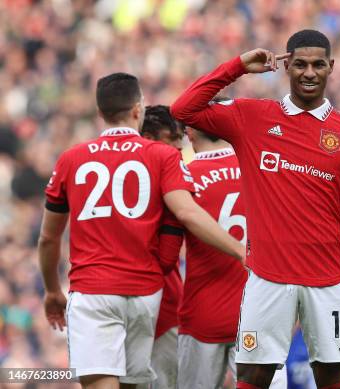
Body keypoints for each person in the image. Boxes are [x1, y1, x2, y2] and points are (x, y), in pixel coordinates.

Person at [171, 29, 340, 388]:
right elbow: (183, 109)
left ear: (331, 67)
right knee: (253, 376)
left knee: (333, 377)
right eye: (299, 64)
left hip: (327, 281)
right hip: (267, 278)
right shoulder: (252, 117)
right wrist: (237, 67)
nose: (308, 72)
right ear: (286, 67)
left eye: (317, 65)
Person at [38, 73, 244, 389]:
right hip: (146, 295)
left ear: (99, 112)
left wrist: (53, 290)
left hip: (93, 290)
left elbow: (48, 237)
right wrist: (241, 250)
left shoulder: (71, 159)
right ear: (138, 109)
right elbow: (187, 213)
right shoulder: (162, 157)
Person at [159, 98, 287, 388]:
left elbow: (167, 257)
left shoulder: (183, 178)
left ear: (190, 133)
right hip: (260, 311)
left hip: (203, 314)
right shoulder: (265, 171)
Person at [135, 105, 186, 389]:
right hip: (157, 308)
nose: (179, 153)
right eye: (173, 145)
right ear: (149, 138)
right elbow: (166, 259)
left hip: (162, 311)